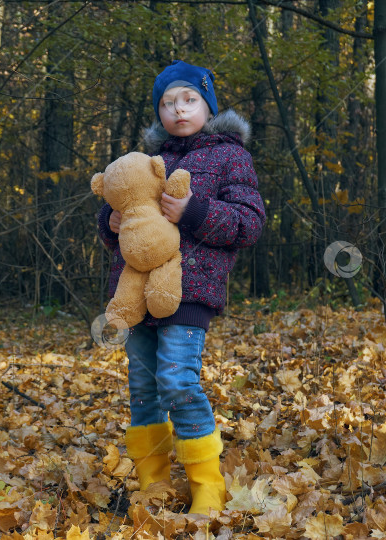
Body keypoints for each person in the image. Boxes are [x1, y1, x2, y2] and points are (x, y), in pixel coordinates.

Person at [96, 60, 266, 515]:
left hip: (192, 292)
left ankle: (206, 484)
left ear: (207, 105)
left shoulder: (231, 156)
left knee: (177, 380)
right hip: (135, 294)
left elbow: (248, 225)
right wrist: (109, 224)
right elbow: (128, 217)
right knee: (143, 388)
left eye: (189, 99)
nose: (179, 109)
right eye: (168, 103)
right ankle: (152, 482)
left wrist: (193, 211)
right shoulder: (149, 161)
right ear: (160, 113)